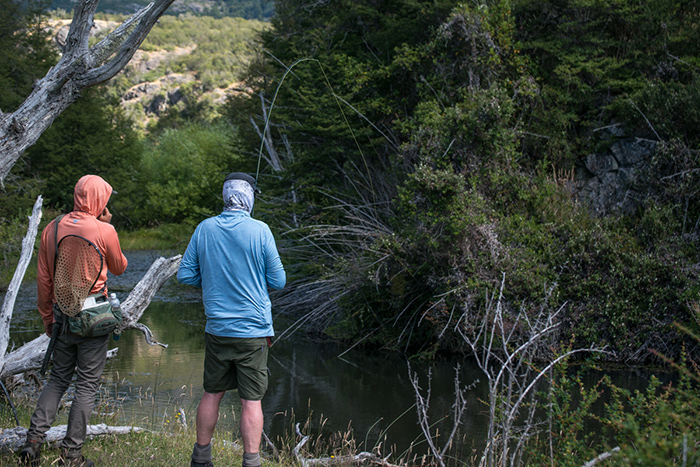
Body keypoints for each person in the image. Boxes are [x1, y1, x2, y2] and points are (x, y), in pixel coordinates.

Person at [177, 172, 286, 467]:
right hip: (252, 332)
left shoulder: (204, 228)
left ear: (226, 197)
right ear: (249, 198)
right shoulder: (261, 230)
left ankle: (200, 459)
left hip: (217, 330)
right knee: (251, 401)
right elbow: (278, 280)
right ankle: (250, 462)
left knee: (212, 393)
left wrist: (212, 277)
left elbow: (185, 274)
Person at [19, 175, 128, 467]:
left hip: (62, 317)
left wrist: (47, 318)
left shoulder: (51, 229)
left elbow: (44, 280)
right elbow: (120, 267)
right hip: (94, 318)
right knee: (87, 386)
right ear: (100, 201)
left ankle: (32, 442)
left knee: (57, 380)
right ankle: (71, 455)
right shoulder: (104, 230)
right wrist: (106, 224)